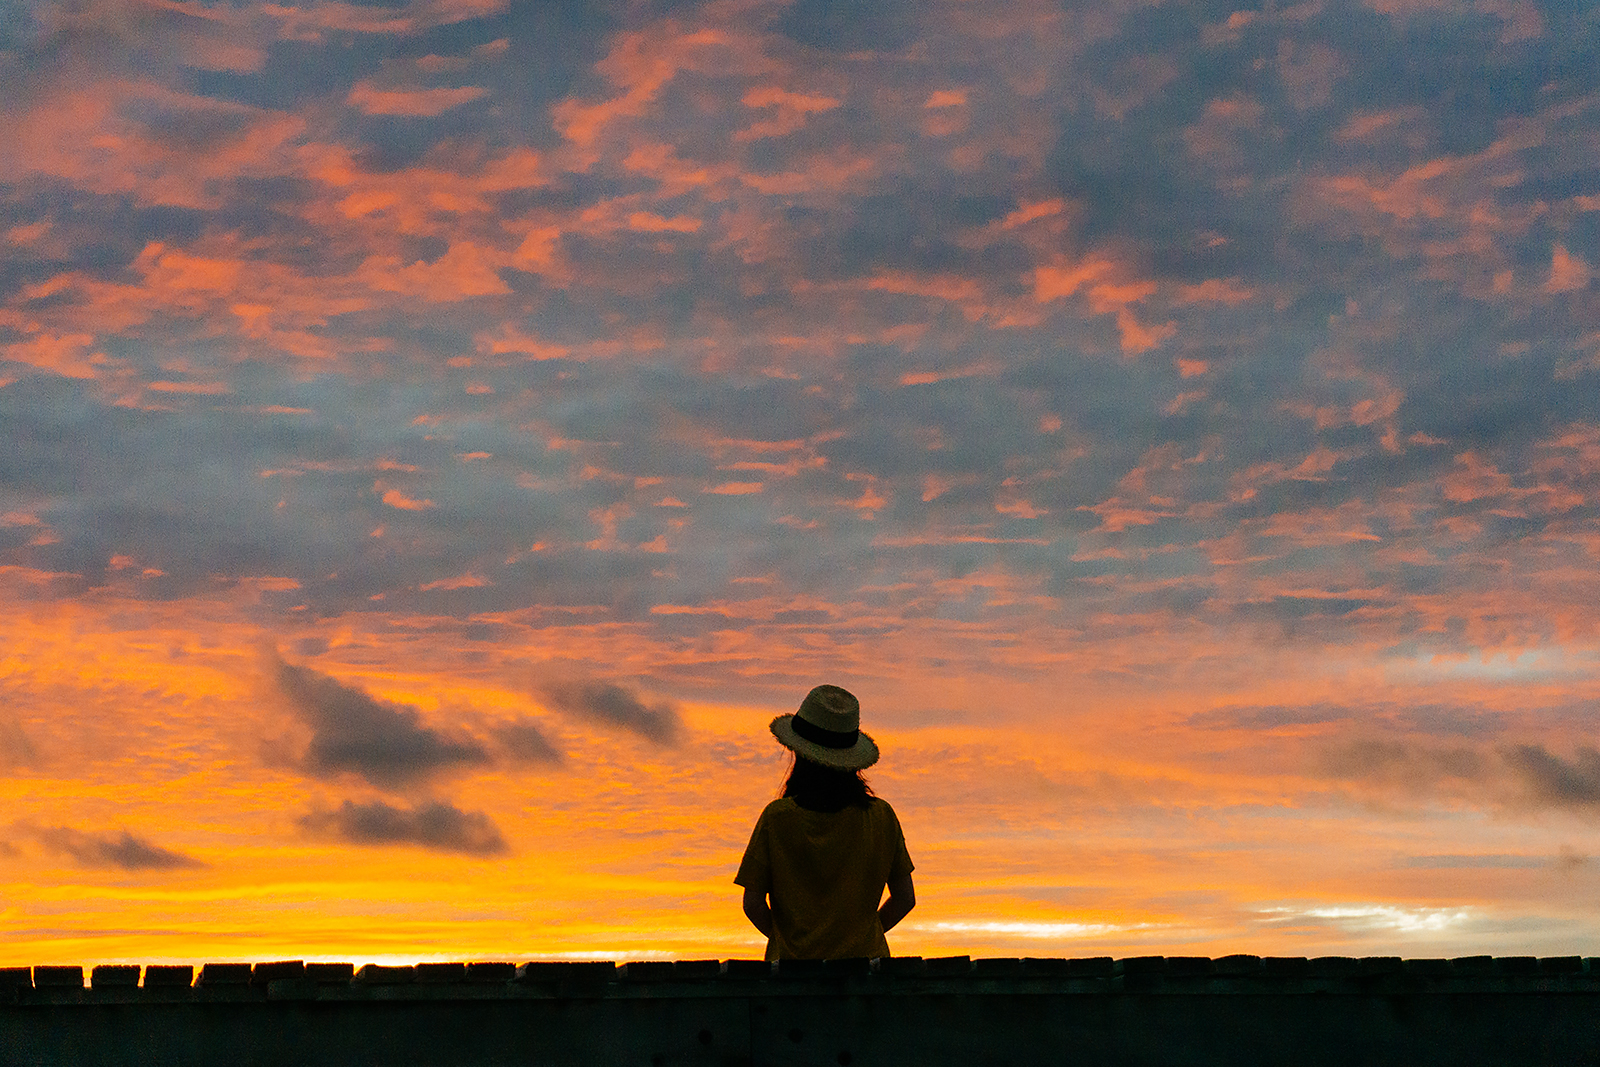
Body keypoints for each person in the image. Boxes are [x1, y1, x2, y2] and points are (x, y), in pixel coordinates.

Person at [734, 684, 916, 960]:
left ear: (799, 753)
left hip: (791, 978)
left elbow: (753, 903)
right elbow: (905, 899)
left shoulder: (777, 818)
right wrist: (864, 935)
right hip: (866, 974)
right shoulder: (881, 817)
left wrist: (790, 942)